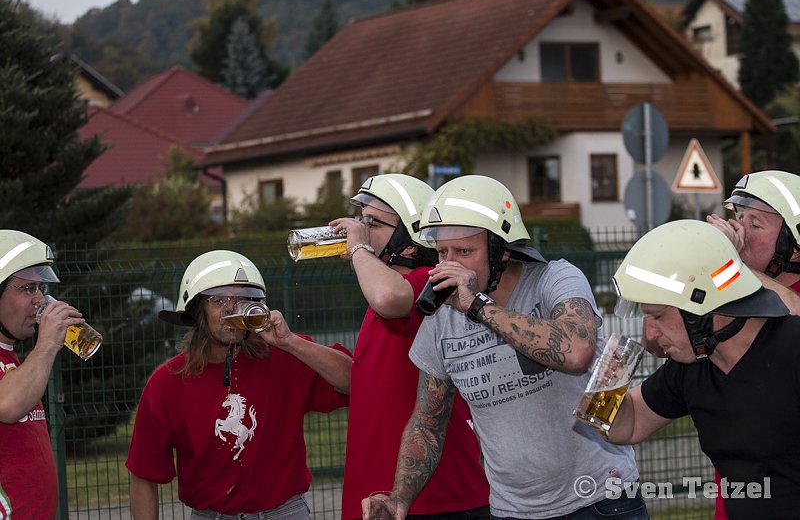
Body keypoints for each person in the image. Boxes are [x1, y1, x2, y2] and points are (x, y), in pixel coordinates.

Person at [362, 176, 646, 519]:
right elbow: (427, 423)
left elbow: (575, 351)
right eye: (442, 253)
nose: (449, 265)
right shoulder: (442, 317)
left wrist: (478, 307)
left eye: (465, 252)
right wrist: (400, 497)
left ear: (502, 250)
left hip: (600, 500)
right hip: (513, 510)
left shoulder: (555, 280)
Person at [126, 250, 352, 520]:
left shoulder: (285, 356)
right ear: (197, 309)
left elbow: (354, 381)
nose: (232, 309)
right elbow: (143, 474)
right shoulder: (168, 381)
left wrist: (291, 342)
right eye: (219, 300)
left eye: (244, 300)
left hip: (284, 513)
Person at [606, 219, 799, 518]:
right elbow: (628, 425)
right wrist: (605, 385)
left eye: (657, 316)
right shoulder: (693, 364)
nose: (651, 335)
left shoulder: (791, 347)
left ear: (701, 304)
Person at [330, 174, 490, 520]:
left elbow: (390, 296)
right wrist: (287, 341)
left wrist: (358, 248)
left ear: (409, 235)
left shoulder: (433, 283)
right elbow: (358, 380)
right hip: (383, 499)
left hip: (434, 499)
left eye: (372, 222)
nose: (359, 228)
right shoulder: (382, 294)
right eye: (361, 220)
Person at [704, 169, 800, 519]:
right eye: (738, 218)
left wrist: (733, 266)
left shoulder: (742, 279)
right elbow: (657, 342)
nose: (740, 232)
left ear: (793, 242)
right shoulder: (729, 291)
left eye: (755, 224)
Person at [0, 229, 84, 518]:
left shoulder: (12, 357)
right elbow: (8, 405)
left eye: (40, 289)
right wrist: (47, 343)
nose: (39, 300)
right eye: (27, 289)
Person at [707, 169, 800, 315]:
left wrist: (734, 264)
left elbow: (794, 314)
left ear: (794, 248)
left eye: (754, 225)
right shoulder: (735, 276)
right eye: (741, 218)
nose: (738, 228)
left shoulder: (738, 270)